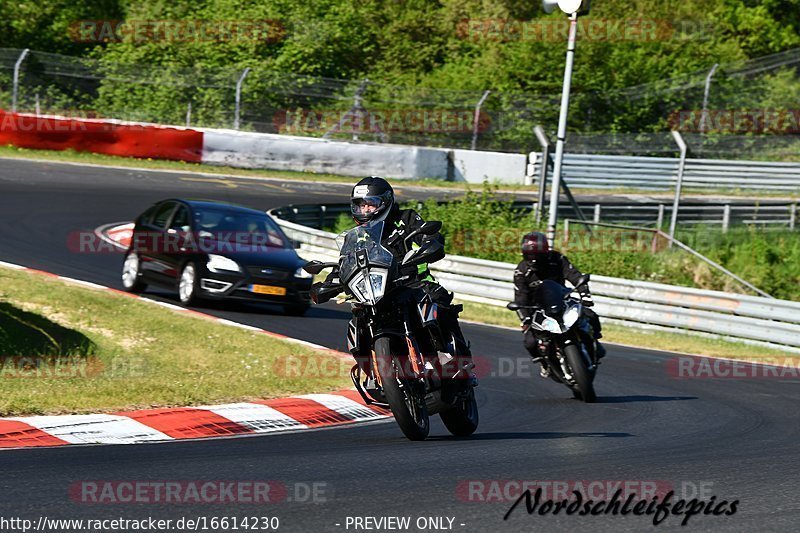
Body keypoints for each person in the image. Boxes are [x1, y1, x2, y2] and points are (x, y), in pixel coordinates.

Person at [312, 176, 474, 377]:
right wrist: (329, 283)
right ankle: (371, 372)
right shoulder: (355, 236)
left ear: (386, 202)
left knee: (437, 301)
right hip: (374, 290)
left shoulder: (406, 219)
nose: (365, 210)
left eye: (370, 205)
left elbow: (427, 236)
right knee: (358, 318)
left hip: (413, 283)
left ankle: (456, 359)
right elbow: (344, 263)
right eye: (360, 205)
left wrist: (430, 243)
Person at [513, 231, 605, 377]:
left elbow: (575, 275)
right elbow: (520, 297)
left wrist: (585, 295)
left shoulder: (557, 259)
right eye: (530, 256)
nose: (534, 260)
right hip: (538, 309)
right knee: (530, 342)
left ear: (546, 252)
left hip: (562, 300)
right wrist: (524, 317)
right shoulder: (521, 271)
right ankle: (544, 363)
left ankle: (595, 342)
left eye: (537, 255)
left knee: (589, 314)